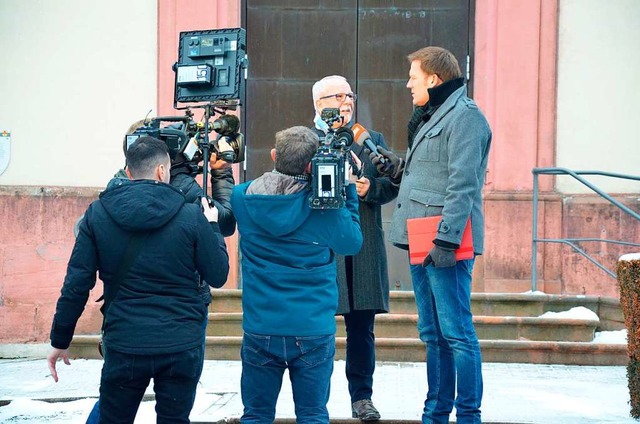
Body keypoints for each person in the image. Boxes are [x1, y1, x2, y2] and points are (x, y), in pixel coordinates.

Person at [48, 136, 230, 424]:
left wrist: (60, 337)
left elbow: (77, 283)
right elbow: (218, 276)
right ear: (162, 171)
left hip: (125, 343)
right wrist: (212, 226)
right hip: (180, 343)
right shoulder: (191, 216)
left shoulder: (98, 214)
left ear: (129, 173)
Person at [371, 47, 492, 424]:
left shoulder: (466, 117)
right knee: (433, 333)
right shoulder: (433, 113)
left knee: (457, 333)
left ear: (434, 79)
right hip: (420, 235)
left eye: (414, 76)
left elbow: (462, 184)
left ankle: (468, 415)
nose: (408, 84)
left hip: (444, 241)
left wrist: (447, 241)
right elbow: (429, 170)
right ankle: (435, 414)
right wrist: (396, 167)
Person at [231, 126, 363, 423]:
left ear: (274, 155)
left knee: (255, 414)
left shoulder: (242, 198)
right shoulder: (325, 208)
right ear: (311, 166)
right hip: (313, 326)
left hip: (260, 324)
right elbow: (352, 242)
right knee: (313, 414)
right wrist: (348, 189)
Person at [311, 75, 399, 421]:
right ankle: (314, 399)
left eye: (349, 94)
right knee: (318, 329)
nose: (347, 101)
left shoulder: (370, 140)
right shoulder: (305, 140)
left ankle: (362, 398)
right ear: (319, 104)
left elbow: (392, 183)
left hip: (362, 246)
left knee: (362, 330)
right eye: (338, 96)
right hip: (324, 245)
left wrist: (368, 189)